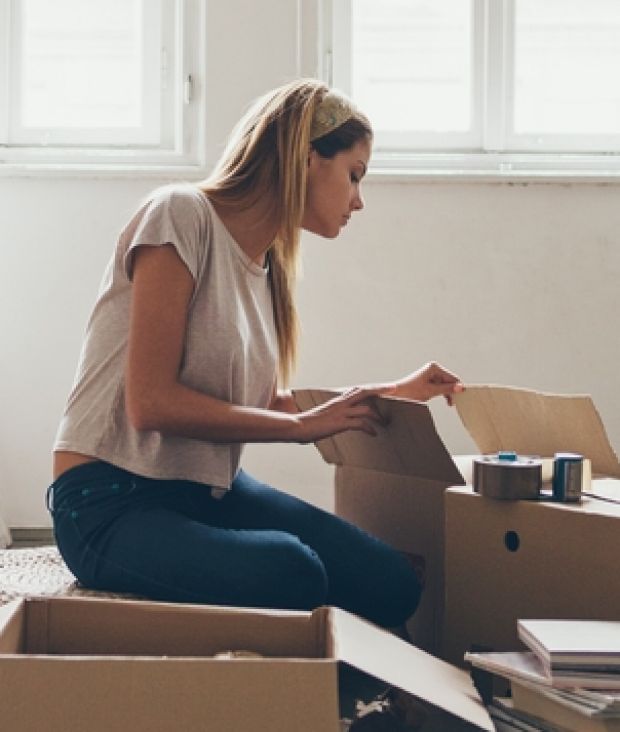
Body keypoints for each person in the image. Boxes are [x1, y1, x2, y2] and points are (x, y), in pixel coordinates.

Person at [47, 79, 463, 630]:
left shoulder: (266, 267)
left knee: (390, 581)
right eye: (355, 174)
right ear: (309, 159)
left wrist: (392, 393)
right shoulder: (179, 213)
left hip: (206, 490)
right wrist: (302, 429)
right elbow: (150, 403)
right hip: (108, 500)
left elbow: (269, 404)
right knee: (293, 571)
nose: (359, 200)